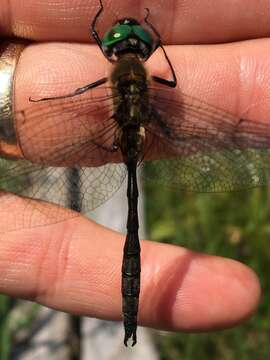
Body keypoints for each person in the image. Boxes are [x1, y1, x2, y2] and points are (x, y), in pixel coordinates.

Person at [0, 0, 267, 335]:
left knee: (130, 219)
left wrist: (45, 106)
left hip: (119, 137)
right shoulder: (149, 74)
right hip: (140, 131)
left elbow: (93, 47)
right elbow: (165, 78)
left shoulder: (111, 68)